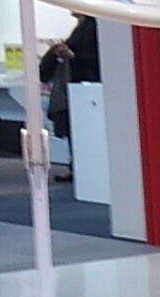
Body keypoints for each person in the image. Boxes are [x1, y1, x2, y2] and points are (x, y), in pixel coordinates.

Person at [38, 13, 99, 183]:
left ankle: (82, 168)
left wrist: (72, 55)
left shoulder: (92, 27)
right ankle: (76, 166)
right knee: (75, 130)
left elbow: (97, 56)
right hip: (77, 86)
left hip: (87, 85)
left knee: (83, 130)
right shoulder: (81, 27)